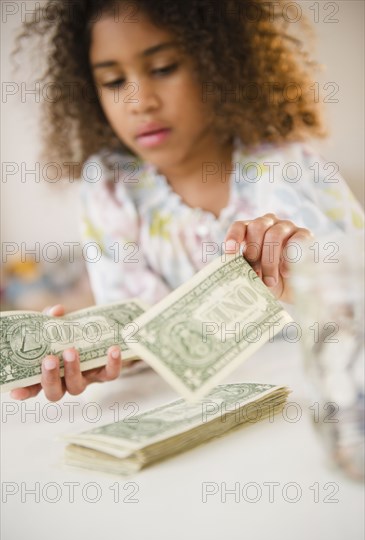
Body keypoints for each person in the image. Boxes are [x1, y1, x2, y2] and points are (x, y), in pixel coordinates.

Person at [11, 0, 363, 402]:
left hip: (313, 398)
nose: (139, 102)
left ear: (219, 64)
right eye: (112, 81)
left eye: (162, 69)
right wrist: (97, 358)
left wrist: (307, 279)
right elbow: (137, 333)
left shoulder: (290, 167)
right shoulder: (109, 187)